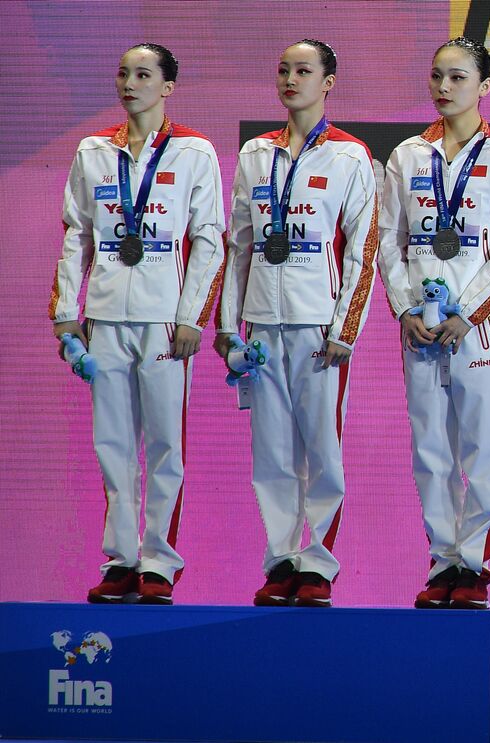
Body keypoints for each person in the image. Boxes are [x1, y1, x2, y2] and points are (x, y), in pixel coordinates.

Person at [51, 43, 225, 605]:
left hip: (163, 321)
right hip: (103, 318)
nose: (130, 82)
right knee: (112, 443)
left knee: (165, 444)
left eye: (143, 74)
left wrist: (193, 316)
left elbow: (208, 240)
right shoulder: (92, 150)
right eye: (123, 73)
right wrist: (65, 316)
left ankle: (159, 562)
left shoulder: (195, 151)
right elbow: (76, 234)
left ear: (167, 86)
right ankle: (122, 559)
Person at [217, 39, 378, 608]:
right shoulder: (255, 153)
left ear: (328, 81)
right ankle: (281, 558)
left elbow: (364, 251)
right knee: (272, 451)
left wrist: (345, 329)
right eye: (283, 69)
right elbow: (238, 245)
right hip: (262, 325)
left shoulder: (350, 156)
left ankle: (318, 562)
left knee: (320, 448)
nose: (290, 78)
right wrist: (228, 326)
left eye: (304, 70)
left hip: (318, 328)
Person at [378, 37, 490, 609]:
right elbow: (388, 243)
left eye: (459, 78)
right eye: (437, 77)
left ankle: (474, 563)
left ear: (484, 86)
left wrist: (467, 311)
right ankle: (442, 561)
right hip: (419, 325)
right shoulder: (406, 156)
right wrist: (405, 308)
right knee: (429, 448)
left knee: (480, 444)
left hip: (479, 324)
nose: (444, 88)